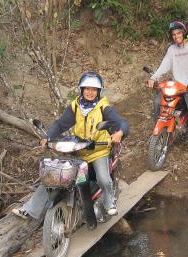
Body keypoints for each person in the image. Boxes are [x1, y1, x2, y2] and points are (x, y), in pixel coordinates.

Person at [12, 71, 129, 227]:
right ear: (81, 89)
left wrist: (120, 132)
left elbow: (122, 123)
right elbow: (61, 124)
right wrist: (48, 137)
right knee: (54, 174)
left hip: (98, 151)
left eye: (93, 89)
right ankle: (31, 209)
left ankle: (109, 202)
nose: (89, 92)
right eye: (86, 88)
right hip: (79, 150)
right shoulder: (76, 106)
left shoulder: (104, 107)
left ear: (98, 91)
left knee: (103, 178)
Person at [148, 21, 188, 162]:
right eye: (173, 35)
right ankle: (162, 134)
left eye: (178, 33)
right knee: (158, 103)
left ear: (184, 33)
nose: (176, 36)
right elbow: (164, 65)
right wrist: (154, 77)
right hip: (176, 87)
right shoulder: (172, 49)